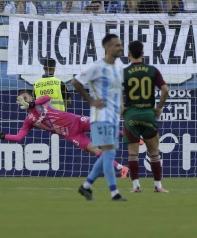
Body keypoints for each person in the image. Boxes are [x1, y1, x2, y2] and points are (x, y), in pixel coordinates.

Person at [0, 92, 132, 177]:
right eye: (21, 99)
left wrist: (32, 104)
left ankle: (131, 137)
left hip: (76, 120)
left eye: (26, 97)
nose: (24, 100)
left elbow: (47, 97)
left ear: (31, 97)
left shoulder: (40, 102)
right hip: (71, 135)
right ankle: (121, 168)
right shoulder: (29, 120)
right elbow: (19, 137)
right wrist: (0, 135)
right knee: (95, 150)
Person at [72, 34, 126, 201]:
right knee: (109, 153)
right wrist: (91, 101)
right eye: (117, 45)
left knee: (108, 154)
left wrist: (122, 106)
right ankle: (114, 193)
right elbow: (76, 82)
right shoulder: (96, 66)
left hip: (114, 117)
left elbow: (118, 89)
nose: (120, 48)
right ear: (107, 47)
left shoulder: (119, 65)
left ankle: (86, 186)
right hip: (100, 116)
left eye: (121, 45)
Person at [122, 40, 169, 193]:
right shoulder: (152, 70)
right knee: (154, 153)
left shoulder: (124, 72)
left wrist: (122, 107)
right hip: (148, 115)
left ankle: (136, 186)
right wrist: (159, 108)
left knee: (133, 154)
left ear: (128, 54)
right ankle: (158, 186)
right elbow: (165, 90)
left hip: (131, 116)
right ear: (143, 54)